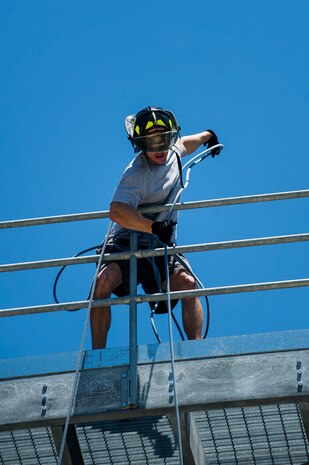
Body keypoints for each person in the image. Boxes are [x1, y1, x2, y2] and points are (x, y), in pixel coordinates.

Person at [91, 106, 221, 349]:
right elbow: (118, 211)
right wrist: (152, 227)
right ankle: (98, 357)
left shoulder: (172, 151)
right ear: (140, 144)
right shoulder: (136, 173)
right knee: (102, 282)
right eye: (151, 142)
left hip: (159, 245)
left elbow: (186, 143)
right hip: (126, 242)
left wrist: (208, 135)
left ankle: (198, 351)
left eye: (164, 138)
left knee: (187, 284)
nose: (159, 147)